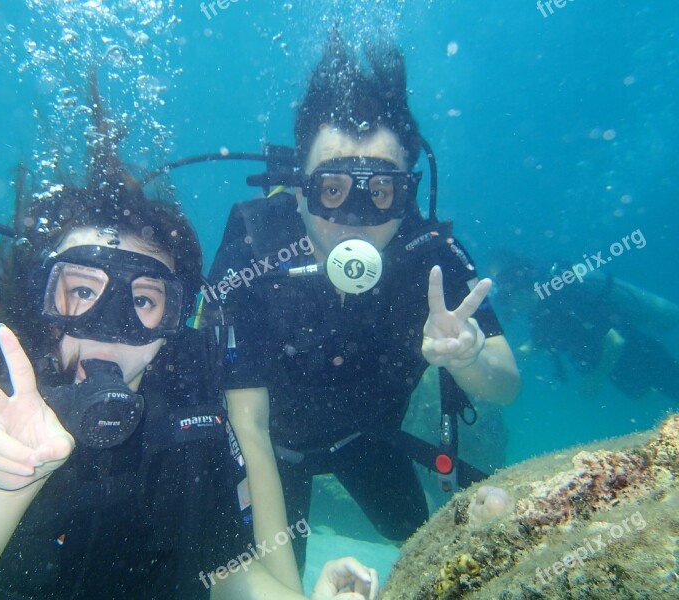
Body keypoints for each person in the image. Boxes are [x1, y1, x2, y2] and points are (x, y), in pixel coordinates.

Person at [0, 105, 378, 599]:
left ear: (172, 322)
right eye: (81, 292)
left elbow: (225, 571)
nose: (110, 330)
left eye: (142, 300)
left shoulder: (184, 400)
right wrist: (6, 489)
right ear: (42, 299)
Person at [205, 32, 521, 571]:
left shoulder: (431, 259)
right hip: (271, 452)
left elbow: (506, 385)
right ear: (299, 186)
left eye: (379, 192)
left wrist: (467, 356)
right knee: (272, 569)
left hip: (369, 438)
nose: (353, 217)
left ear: (408, 192)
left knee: (425, 553)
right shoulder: (255, 244)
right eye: (332, 189)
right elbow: (247, 424)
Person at [494, 252, 679, 401]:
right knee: (651, 398)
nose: (507, 308)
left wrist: (596, 380)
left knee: (671, 386)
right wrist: (499, 362)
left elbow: (615, 341)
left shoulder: (564, 301)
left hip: (638, 354)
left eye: (506, 299)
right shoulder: (539, 311)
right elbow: (536, 344)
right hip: (613, 366)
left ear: (522, 291)